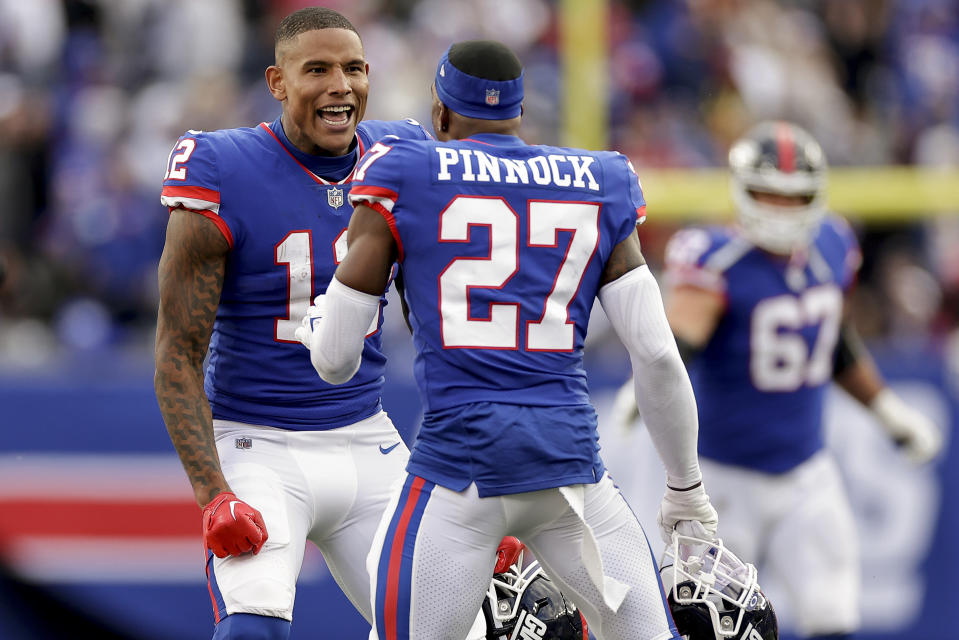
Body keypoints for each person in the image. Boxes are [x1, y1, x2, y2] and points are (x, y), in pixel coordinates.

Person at [296, 39, 719, 640]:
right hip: (573, 472)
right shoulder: (599, 179)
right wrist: (685, 489)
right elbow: (655, 353)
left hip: (459, 471)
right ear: (519, 113)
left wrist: (319, 324)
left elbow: (337, 362)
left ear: (439, 113)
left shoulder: (402, 170)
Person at [154, 7, 434, 639]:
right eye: (318, 70)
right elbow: (177, 353)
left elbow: (439, 333)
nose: (341, 85)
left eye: (354, 68)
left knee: (454, 628)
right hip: (257, 443)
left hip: (370, 441)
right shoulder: (221, 167)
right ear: (277, 83)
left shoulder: (403, 155)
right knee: (255, 626)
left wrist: (472, 481)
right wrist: (214, 492)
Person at [611, 120, 943, 639]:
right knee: (719, 627)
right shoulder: (716, 257)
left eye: (795, 197)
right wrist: (647, 383)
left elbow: (832, 336)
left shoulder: (834, 244)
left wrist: (885, 409)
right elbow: (682, 338)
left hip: (805, 475)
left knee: (832, 617)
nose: (782, 209)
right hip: (722, 483)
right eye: (769, 194)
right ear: (744, 192)